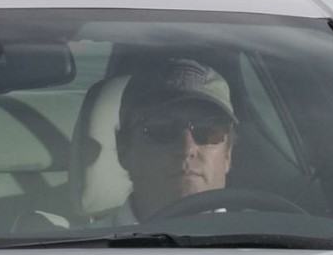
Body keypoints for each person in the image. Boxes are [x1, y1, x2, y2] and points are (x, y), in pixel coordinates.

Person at [90, 58, 237, 225]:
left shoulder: (263, 241)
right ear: (124, 149)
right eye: (161, 129)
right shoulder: (81, 249)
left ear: (228, 153)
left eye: (209, 130)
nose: (187, 148)